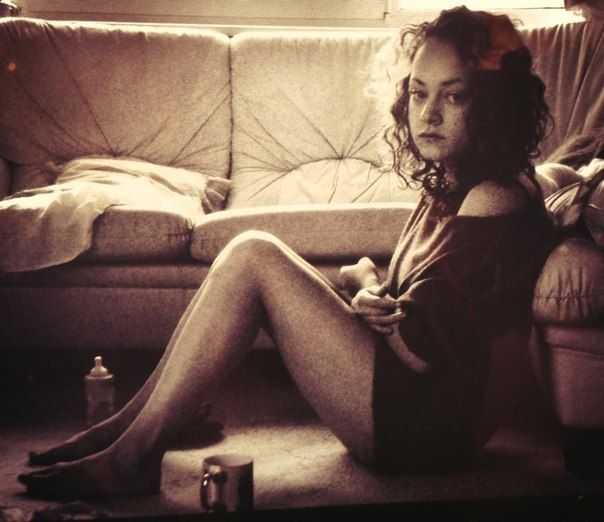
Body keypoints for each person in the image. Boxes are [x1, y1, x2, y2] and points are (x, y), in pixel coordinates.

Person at [18, 6, 556, 498]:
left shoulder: (494, 197)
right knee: (252, 255)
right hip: (417, 408)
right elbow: (413, 300)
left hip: (427, 429)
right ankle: (125, 433)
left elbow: (424, 346)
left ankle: (131, 455)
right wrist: (367, 285)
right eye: (418, 93)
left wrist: (368, 292)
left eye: (453, 96)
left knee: (253, 255)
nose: (428, 114)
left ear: (493, 102)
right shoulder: (453, 183)